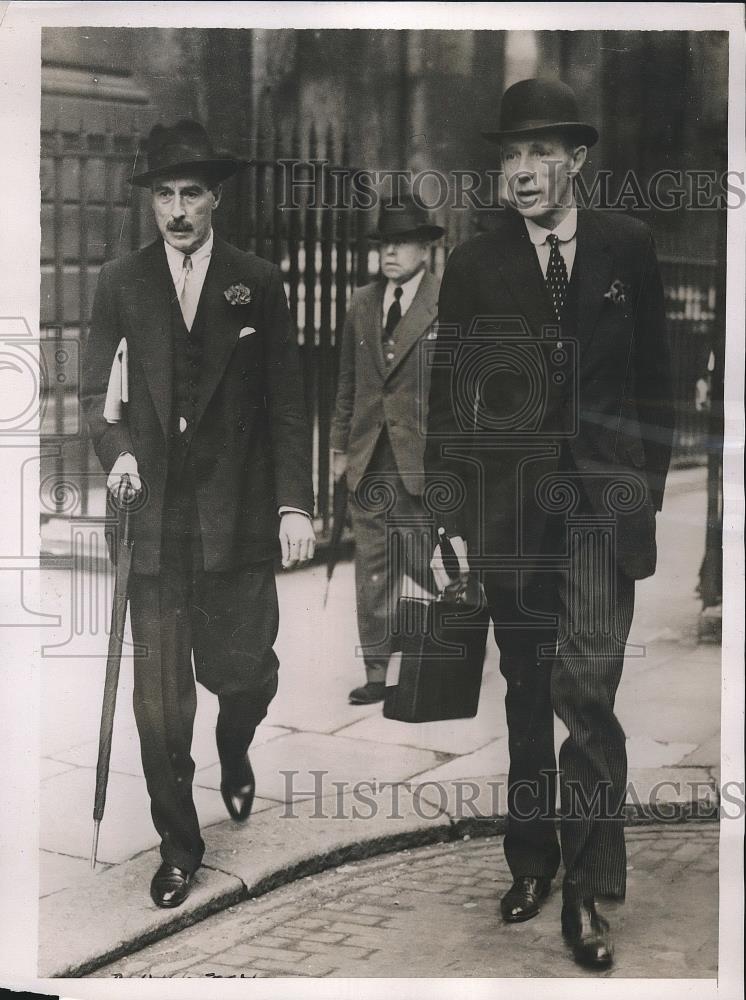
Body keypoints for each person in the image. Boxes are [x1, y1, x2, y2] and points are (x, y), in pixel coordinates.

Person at [425, 79, 674, 968]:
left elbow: (657, 384)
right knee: (528, 693)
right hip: (510, 513)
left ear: (577, 159)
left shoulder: (626, 247)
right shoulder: (475, 264)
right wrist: (447, 516)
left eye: (539, 154)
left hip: (602, 513)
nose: (522, 172)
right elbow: (449, 405)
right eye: (509, 156)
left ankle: (587, 890)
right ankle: (529, 860)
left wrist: (641, 486)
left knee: (586, 691)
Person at [81, 119, 315, 908]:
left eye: (191, 194)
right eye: (164, 194)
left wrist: (293, 504)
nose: (177, 210)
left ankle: (236, 739)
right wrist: (119, 456)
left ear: (217, 198)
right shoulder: (121, 281)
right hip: (155, 524)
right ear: (151, 200)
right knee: (159, 701)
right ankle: (178, 844)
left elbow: (288, 405)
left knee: (241, 674)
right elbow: (95, 399)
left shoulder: (261, 282)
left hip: (240, 518)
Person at [330, 196, 443, 704]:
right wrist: (338, 448)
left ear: (425, 248)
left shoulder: (446, 302)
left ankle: (430, 663)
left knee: (422, 564)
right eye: (384, 243)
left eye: (402, 242)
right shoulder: (362, 302)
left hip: (420, 462)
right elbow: (347, 386)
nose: (390, 252)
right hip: (368, 456)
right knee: (372, 566)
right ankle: (376, 671)